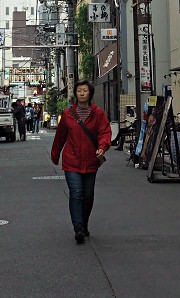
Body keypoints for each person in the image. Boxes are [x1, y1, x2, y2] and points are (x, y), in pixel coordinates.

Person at [51, 80, 111, 244]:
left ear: (90, 94)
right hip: (72, 160)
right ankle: (78, 228)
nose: (82, 93)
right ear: (76, 94)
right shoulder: (68, 114)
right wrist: (55, 154)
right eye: (79, 91)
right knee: (76, 193)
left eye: (85, 90)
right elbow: (60, 137)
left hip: (91, 160)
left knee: (88, 196)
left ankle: (84, 224)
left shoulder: (97, 113)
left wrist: (102, 147)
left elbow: (105, 132)